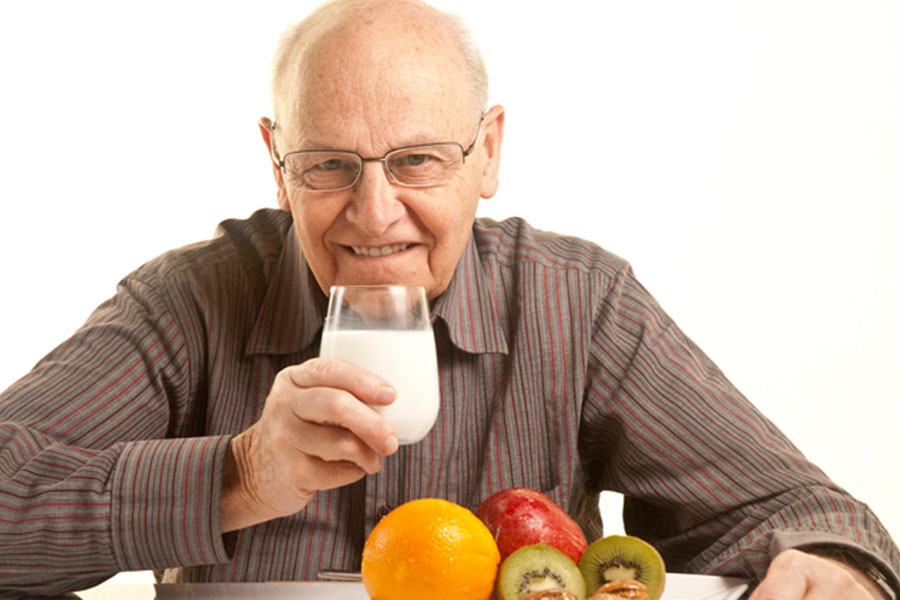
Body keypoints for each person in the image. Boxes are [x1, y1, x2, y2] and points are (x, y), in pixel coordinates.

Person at [0, 0, 897, 597]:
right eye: (329, 164)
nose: (373, 212)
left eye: (417, 160)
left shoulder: (577, 304)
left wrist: (830, 566)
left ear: (488, 153)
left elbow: (801, 513)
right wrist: (238, 476)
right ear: (277, 162)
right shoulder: (189, 303)